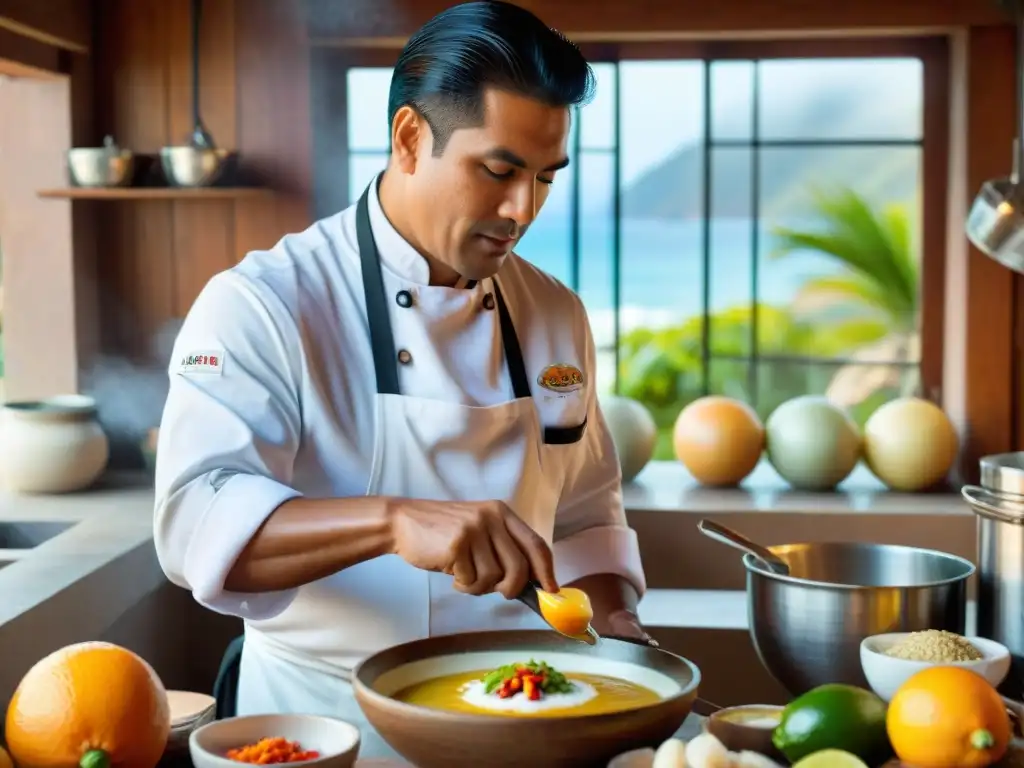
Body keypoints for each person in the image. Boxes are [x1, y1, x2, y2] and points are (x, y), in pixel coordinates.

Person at [154, 0, 649, 757]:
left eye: (546, 177)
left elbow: (583, 515)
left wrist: (614, 624)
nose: (523, 209)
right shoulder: (265, 303)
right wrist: (393, 520)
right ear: (411, 138)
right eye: (499, 170)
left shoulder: (555, 312)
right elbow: (193, 527)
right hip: (328, 722)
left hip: (525, 716)